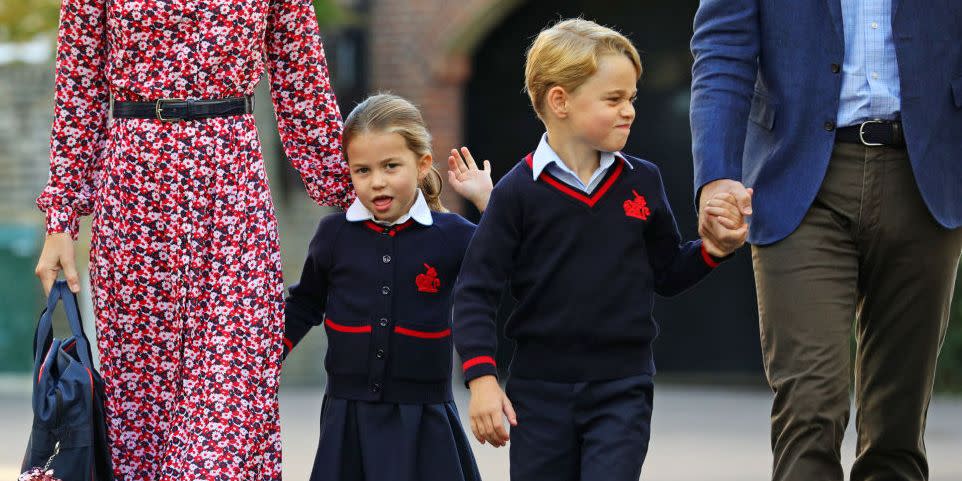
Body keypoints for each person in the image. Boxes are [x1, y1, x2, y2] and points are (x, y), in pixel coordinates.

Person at [32, 0, 352, 478]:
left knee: (231, 411)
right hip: (136, 200)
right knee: (140, 423)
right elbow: (78, 83)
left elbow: (299, 69)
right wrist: (60, 218)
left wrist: (361, 196)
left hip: (233, 200)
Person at [453, 18, 748, 481]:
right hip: (538, 391)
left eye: (631, 98)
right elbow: (475, 291)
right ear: (560, 101)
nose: (629, 110)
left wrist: (713, 249)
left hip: (622, 387)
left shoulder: (643, 180)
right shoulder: (516, 193)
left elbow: (668, 271)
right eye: (614, 99)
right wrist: (482, 379)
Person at [690, 1, 962, 479]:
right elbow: (722, 51)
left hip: (928, 175)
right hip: (796, 175)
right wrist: (716, 175)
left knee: (897, 422)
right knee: (810, 404)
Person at [282, 93, 491, 481]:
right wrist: (257, 361)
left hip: (425, 417)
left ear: (422, 163)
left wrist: (487, 202)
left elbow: (508, 267)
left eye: (391, 166)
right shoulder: (334, 235)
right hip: (349, 417)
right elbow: (305, 303)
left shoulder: (453, 237)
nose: (376, 182)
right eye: (362, 170)